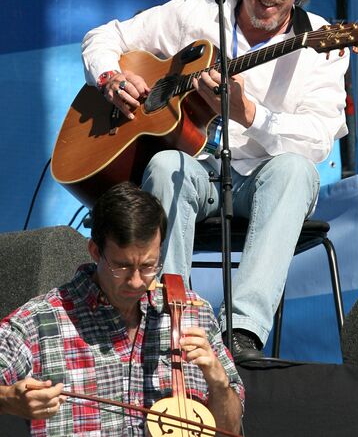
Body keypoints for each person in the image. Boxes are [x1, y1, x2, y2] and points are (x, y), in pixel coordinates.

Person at [81, 0, 349, 362]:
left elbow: (317, 141)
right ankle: (167, 322)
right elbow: (104, 36)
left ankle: (240, 333)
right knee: (166, 163)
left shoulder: (323, 41)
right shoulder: (199, 11)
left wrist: (251, 114)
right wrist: (112, 78)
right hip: (199, 170)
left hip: (265, 179)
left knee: (296, 171)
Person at [0, 183, 243, 436]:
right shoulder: (40, 321)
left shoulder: (195, 313)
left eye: (149, 265)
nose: (137, 281)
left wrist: (218, 382)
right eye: (122, 266)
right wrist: (8, 398)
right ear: (95, 251)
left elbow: (231, 428)